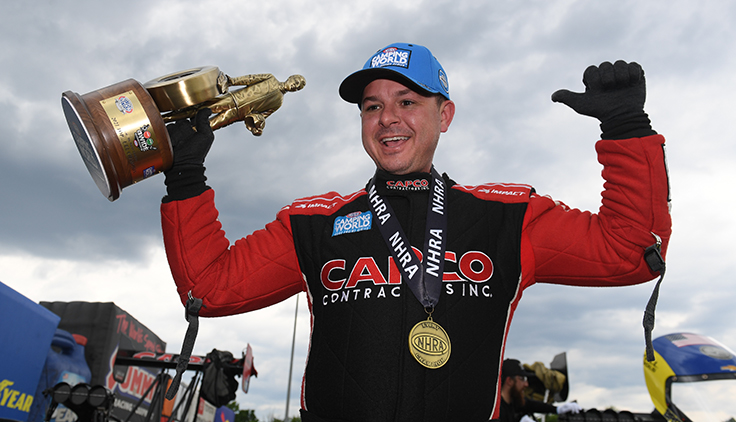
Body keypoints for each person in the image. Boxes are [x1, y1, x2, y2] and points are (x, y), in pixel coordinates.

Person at [159, 42, 671, 422]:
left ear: (444, 115)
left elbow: (631, 251)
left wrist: (626, 130)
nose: (387, 118)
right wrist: (185, 179)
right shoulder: (314, 224)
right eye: (372, 106)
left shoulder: (507, 218)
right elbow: (209, 287)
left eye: (407, 102)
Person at [499, 359, 583, 422]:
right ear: (509, 381)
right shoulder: (498, 410)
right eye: (522, 379)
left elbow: (533, 405)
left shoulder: (514, 403)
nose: (526, 384)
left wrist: (558, 409)